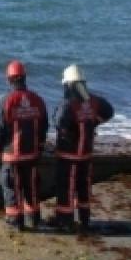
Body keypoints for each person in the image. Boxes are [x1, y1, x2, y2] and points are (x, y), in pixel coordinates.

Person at [0, 61, 49, 231]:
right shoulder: (38, 101)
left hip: (12, 157)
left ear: (9, 79)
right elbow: (43, 127)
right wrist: (40, 148)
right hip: (32, 156)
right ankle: (34, 218)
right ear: (25, 77)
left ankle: (15, 221)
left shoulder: (4, 102)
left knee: (12, 188)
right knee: (32, 188)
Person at [51, 64, 115, 233]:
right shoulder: (94, 101)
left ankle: (65, 221)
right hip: (86, 155)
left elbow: (58, 123)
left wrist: (69, 130)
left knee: (67, 189)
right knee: (84, 189)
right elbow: (109, 111)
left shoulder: (67, 104)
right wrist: (94, 122)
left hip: (68, 156)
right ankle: (84, 220)